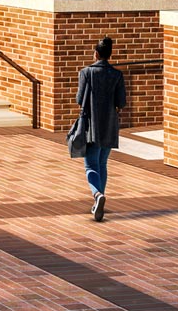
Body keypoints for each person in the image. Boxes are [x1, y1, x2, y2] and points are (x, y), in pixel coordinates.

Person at [75, 36, 127, 222]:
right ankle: (100, 201)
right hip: (110, 125)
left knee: (91, 165)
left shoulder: (86, 72)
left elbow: (80, 99)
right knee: (102, 164)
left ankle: (97, 195)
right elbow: (121, 102)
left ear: (96, 53)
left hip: (92, 125)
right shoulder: (117, 74)